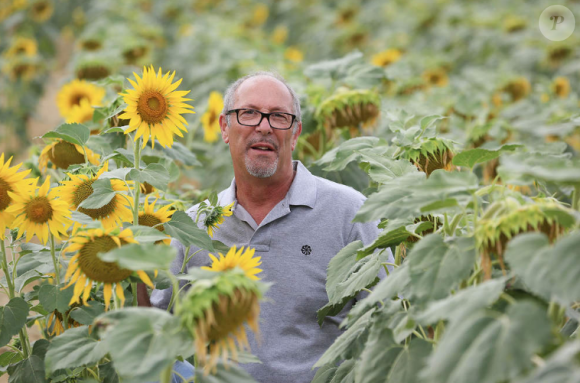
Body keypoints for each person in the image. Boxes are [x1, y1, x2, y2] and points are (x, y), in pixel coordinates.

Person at [146, 71, 392, 383]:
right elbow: (156, 333)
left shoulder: (351, 213)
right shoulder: (195, 227)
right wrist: (135, 261)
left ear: (296, 132)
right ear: (224, 127)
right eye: (248, 113)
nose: (264, 126)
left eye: (278, 117)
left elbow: (386, 323)